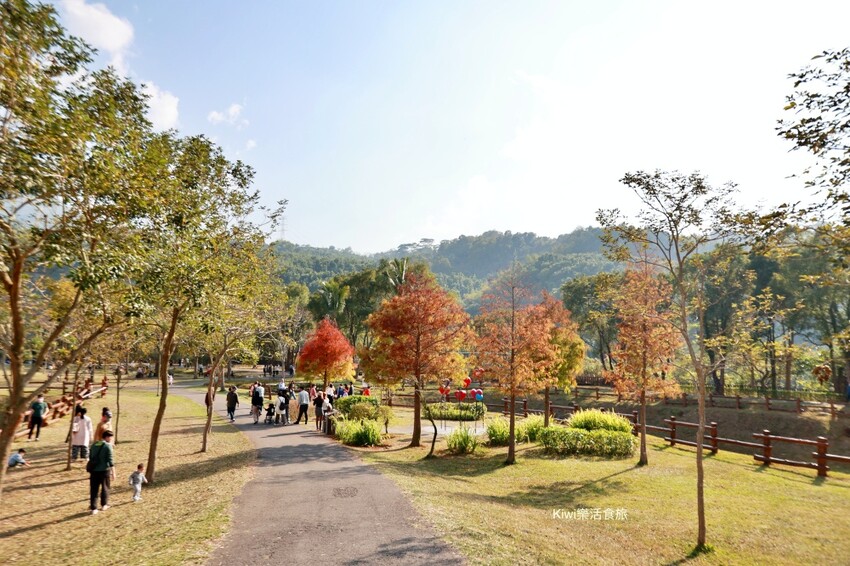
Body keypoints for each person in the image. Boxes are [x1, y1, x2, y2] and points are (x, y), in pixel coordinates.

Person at [88, 429, 115, 515]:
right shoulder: (108, 446)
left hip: (94, 471)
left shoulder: (94, 444)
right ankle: (104, 504)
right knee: (105, 488)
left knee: (94, 489)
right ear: (107, 437)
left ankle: (94, 507)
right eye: (110, 438)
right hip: (104, 470)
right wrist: (113, 472)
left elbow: (90, 456)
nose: (111, 439)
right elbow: (110, 460)